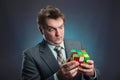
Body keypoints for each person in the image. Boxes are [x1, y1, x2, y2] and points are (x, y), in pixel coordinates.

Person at [21, 5, 100, 80]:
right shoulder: (30, 55)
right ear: (41, 30)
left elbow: (92, 75)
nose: (58, 34)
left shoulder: (77, 45)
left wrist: (92, 73)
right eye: (51, 29)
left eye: (61, 27)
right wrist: (57, 77)